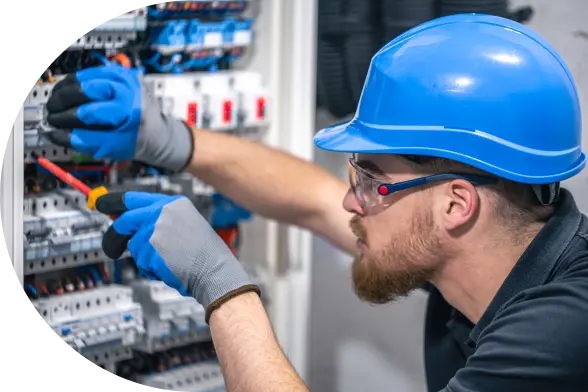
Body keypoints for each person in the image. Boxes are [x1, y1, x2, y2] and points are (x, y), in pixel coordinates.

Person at [44, 14, 587, 392]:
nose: (351, 200)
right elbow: (313, 201)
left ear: (456, 205)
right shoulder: (497, 249)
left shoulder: (560, 338)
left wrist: (221, 286)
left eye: (372, 181)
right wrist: (167, 139)